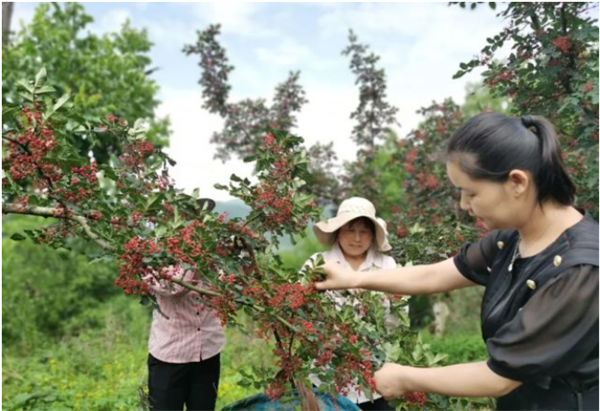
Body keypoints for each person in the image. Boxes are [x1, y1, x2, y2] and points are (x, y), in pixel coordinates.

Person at [315, 113, 599, 411]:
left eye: (471, 192)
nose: (464, 205)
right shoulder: (510, 241)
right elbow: (435, 275)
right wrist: (352, 279)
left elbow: (500, 376)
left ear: (517, 182)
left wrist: (406, 377)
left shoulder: (581, 270)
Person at [304, 197, 400, 411]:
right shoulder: (318, 263)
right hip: (326, 373)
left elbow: (396, 318)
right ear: (338, 231)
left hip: (372, 373)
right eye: (350, 230)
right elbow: (299, 308)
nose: (357, 238)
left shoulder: (387, 265)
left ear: (373, 235)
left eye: (364, 231)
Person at [144, 198, 225, 411]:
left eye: (197, 218)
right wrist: (197, 257)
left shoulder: (211, 254)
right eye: (186, 217)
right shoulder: (151, 255)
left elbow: (227, 285)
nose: (193, 224)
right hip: (170, 356)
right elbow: (174, 289)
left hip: (207, 351)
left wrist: (242, 258)